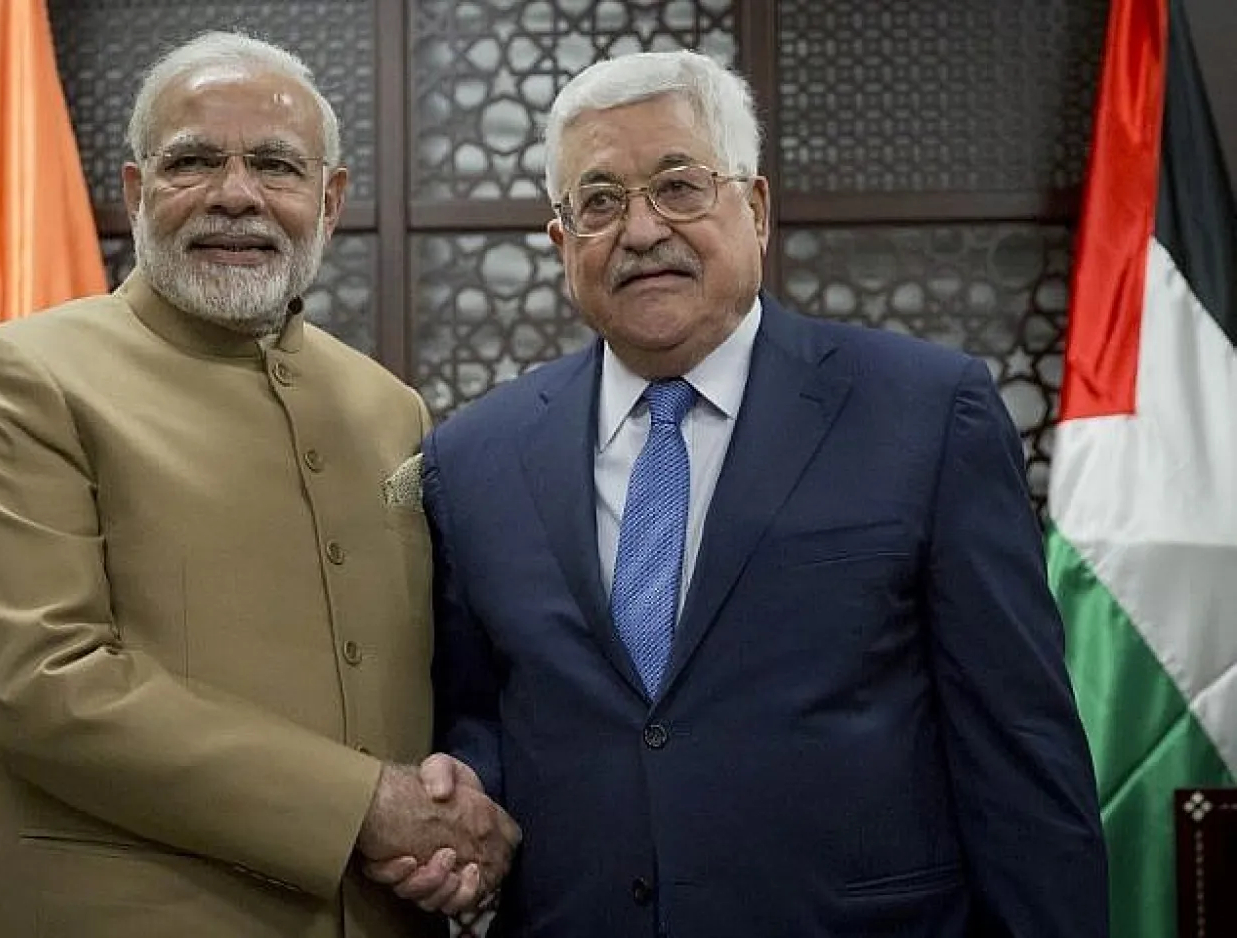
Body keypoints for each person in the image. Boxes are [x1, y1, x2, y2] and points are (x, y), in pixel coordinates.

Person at [407, 50, 1110, 936]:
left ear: (758, 209)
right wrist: (464, 795)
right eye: (600, 201)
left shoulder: (925, 415)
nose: (641, 229)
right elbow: (484, 713)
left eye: (679, 185)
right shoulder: (473, 459)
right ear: (562, 242)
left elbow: (1021, 753)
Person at [0, 30, 517, 938]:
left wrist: (453, 814)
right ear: (135, 194)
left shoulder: (387, 407)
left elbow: (433, 669)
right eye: (193, 162)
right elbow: (45, 685)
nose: (234, 195)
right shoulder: (23, 378)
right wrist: (368, 806)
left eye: (276, 166)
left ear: (329, 202)